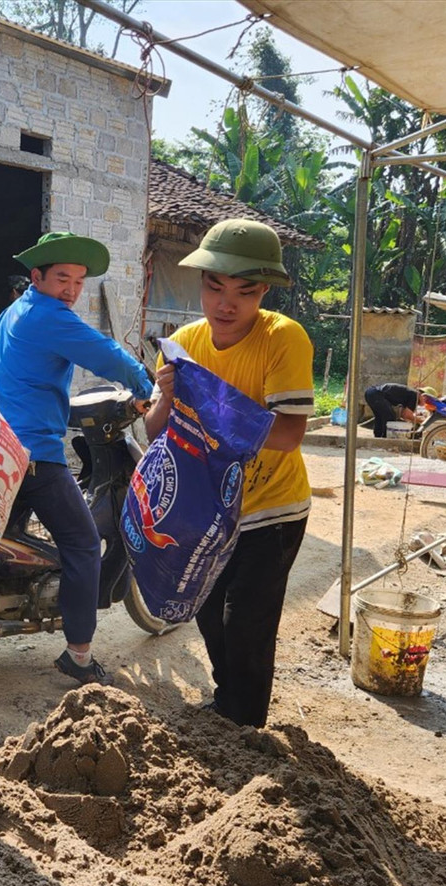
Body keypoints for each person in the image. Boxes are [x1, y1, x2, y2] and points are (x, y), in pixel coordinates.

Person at [143, 218, 314, 728]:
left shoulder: (284, 337)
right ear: (201, 284)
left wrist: (215, 410)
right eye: (214, 287)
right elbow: (155, 429)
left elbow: (288, 435)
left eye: (244, 291)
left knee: (248, 627)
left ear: (263, 290)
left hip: (270, 510)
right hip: (207, 510)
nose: (226, 303)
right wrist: (170, 393)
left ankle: (246, 727)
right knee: (207, 614)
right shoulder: (183, 342)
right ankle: (229, 704)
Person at [0, 231, 154, 685]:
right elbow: (105, 353)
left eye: (78, 281)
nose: (71, 290)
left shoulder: (13, 311)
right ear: (37, 277)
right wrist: (148, 386)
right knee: (82, 544)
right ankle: (78, 655)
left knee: (11, 532)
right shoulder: (51, 316)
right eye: (61, 279)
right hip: (34, 452)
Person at [364, 382, 436, 438]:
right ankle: (385, 438)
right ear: (424, 396)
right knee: (390, 417)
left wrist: (415, 418)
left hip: (370, 392)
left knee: (380, 416)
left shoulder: (411, 394)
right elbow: (407, 415)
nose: (426, 404)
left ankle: (378, 437)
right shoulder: (415, 396)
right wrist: (424, 421)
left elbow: (403, 415)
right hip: (376, 394)